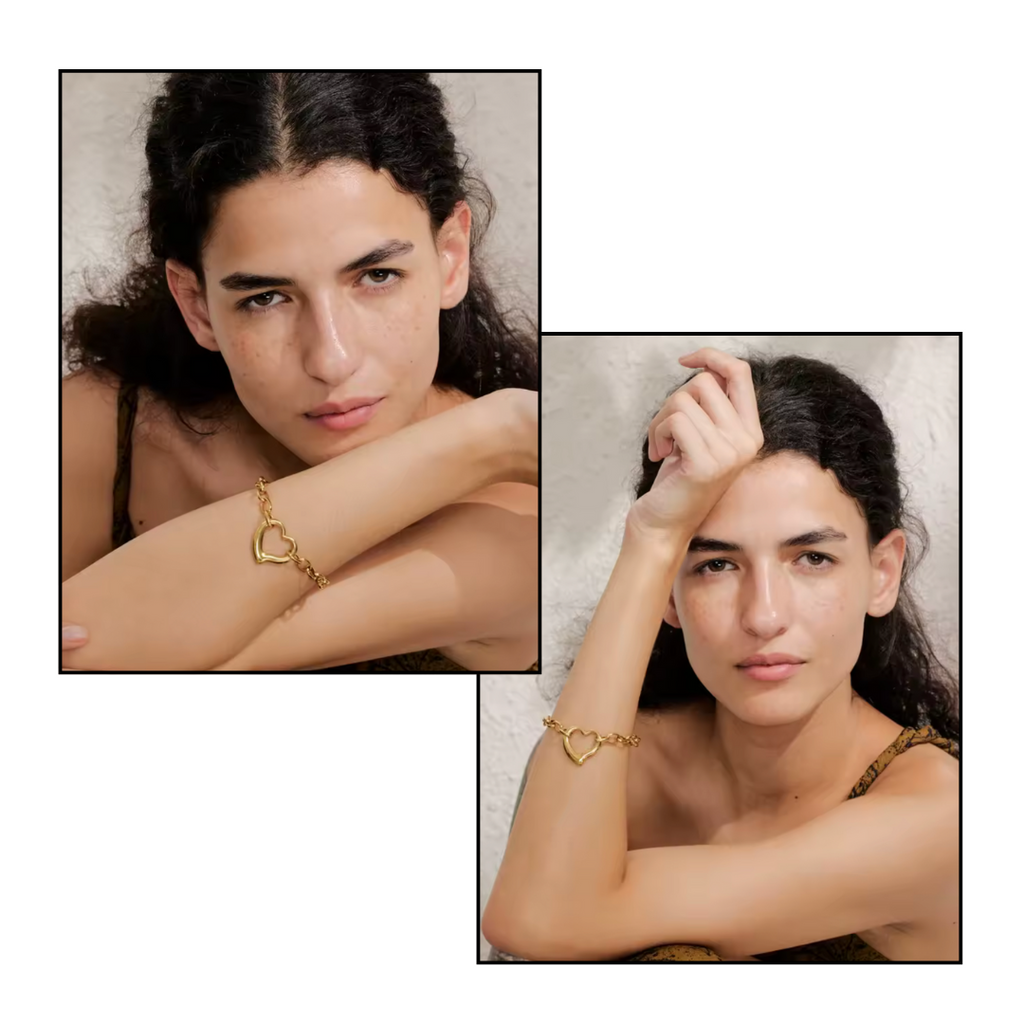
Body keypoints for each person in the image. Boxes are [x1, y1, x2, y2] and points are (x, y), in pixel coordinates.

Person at [483, 346, 959, 962]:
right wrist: (652, 540)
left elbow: (540, 920)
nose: (763, 616)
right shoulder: (614, 764)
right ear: (669, 595)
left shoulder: (938, 819)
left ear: (882, 573)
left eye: (812, 558)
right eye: (715, 564)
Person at [61, 72, 538, 672]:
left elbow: (95, 654)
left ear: (450, 259)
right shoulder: (107, 426)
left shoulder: (517, 526)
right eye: (265, 297)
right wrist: (495, 435)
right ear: (196, 304)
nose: (331, 359)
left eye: (377, 276)